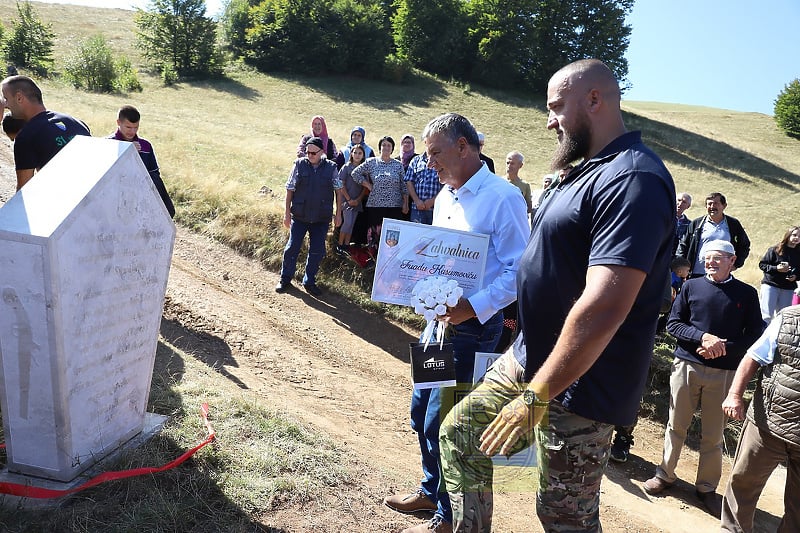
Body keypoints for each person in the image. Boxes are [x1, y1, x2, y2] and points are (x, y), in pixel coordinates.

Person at [437, 59, 675, 532]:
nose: (549, 121)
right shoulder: (582, 171)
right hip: (528, 355)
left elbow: (606, 303)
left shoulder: (634, 179)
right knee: (462, 433)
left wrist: (535, 397)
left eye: (556, 107)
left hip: (581, 380)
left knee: (563, 514)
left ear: (594, 100)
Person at [383, 113, 529, 533]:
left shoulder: (504, 198)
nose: (430, 165)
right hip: (437, 327)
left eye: (435, 154)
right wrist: (411, 284)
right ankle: (432, 490)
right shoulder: (447, 195)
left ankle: (448, 517)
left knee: (445, 421)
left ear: (464, 147)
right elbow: (437, 255)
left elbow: (521, 271)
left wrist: (474, 306)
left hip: (472, 329)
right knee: (419, 412)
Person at [643, 240, 763, 518]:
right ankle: (665, 474)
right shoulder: (691, 286)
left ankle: (706, 488)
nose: (710, 262)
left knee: (713, 433)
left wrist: (723, 347)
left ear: (732, 261)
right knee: (676, 424)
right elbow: (674, 324)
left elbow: (755, 333)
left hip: (724, 373)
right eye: (707, 258)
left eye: (717, 258)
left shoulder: (746, 293)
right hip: (687, 365)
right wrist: (703, 338)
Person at [720, 304, 800, 532]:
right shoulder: (788, 319)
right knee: (742, 485)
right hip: (768, 423)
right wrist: (734, 395)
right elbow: (753, 356)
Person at [276, 136, 343, 297]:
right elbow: (289, 189)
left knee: (317, 251)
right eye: (308, 152)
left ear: (322, 152)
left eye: (313, 152)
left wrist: (338, 214)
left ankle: (309, 281)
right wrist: (286, 213)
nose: (310, 155)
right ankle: (285, 279)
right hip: (299, 216)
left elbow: (338, 191)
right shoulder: (299, 165)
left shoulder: (332, 168)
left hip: (321, 218)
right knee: (292, 248)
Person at [0, 75, 91, 190]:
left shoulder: (26, 137)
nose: (6, 105)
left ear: (19, 98)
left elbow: (23, 192)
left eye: (6, 99)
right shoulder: (77, 122)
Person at [108, 105, 175, 218]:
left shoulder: (146, 146)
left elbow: (154, 175)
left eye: (136, 127)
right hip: (114, 200)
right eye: (128, 127)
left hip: (141, 200)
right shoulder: (108, 144)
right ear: (118, 122)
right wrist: (125, 150)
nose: (132, 131)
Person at [350, 135, 408, 256]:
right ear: (380, 147)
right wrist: (367, 185)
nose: (386, 147)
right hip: (375, 205)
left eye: (389, 145)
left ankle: (390, 259)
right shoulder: (372, 162)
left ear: (392, 149)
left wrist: (405, 203)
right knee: (374, 235)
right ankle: (373, 260)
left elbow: (404, 185)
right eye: (384, 145)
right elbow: (355, 173)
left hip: (395, 206)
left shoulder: (398, 165)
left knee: (392, 236)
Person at [676, 192, 751, 278]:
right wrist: (682, 267)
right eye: (709, 204)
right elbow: (683, 245)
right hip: (696, 274)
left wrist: (736, 264)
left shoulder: (733, 224)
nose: (712, 207)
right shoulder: (697, 224)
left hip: (721, 275)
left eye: (716, 203)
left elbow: (744, 245)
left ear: (724, 206)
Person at [757, 226, 800, 323]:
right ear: (788, 235)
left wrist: (795, 277)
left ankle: (779, 338)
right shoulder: (775, 249)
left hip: (788, 288)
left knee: (784, 318)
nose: (797, 238)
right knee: (766, 316)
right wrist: (777, 268)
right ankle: (763, 337)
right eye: (794, 235)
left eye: (799, 236)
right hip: (771, 285)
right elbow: (762, 265)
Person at [334, 144, 367, 255]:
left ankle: (347, 245)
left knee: (352, 223)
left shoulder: (364, 170)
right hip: (346, 200)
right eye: (355, 152)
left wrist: (358, 200)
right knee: (347, 222)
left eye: (360, 153)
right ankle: (340, 244)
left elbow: (364, 188)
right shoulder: (346, 167)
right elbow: (341, 184)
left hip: (357, 201)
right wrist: (348, 199)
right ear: (351, 154)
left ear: (363, 155)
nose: (357, 155)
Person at [404, 151, 442, 225]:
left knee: (434, 235)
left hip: (436, 208)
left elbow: (446, 184)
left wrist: (433, 200)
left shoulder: (442, 159)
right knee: (416, 234)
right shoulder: (415, 160)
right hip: (417, 208)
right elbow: (409, 182)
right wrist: (417, 201)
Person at [503, 151, 532, 217]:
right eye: (507, 163)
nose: (509, 166)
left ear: (520, 165)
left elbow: (529, 207)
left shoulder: (525, 186)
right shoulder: (499, 182)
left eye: (512, 163)